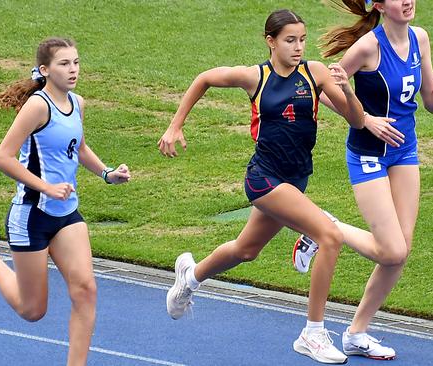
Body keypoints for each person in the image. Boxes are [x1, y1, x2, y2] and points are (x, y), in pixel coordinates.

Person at [158, 9, 389, 364]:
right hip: (264, 178)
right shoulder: (256, 77)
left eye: (302, 40)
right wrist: (175, 125)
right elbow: (204, 78)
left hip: (296, 179)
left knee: (245, 250)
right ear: (271, 41)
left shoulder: (315, 73)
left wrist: (346, 90)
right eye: (290, 40)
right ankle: (313, 333)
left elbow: (357, 121)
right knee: (330, 236)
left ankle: (190, 278)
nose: (298, 47)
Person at [292, 0, 433, 360]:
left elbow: (431, 102)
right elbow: (323, 89)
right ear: (380, 6)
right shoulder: (368, 46)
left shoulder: (420, 38)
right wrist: (365, 119)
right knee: (393, 250)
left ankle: (357, 333)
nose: (408, 2)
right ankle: (326, 227)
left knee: (400, 252)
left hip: (405, 152)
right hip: (368, 154)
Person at [0, 37, 131, 366]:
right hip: (31, 216)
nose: (73, 69)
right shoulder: (37, 106)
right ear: (46, 70)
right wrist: (46, 187)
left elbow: (78, 148)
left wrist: (107, 173)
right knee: (33, 310)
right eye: (64, 64)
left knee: (86, 290)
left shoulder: (78, 103)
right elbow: (3, 158)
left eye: (76, 62)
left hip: (66, 214)